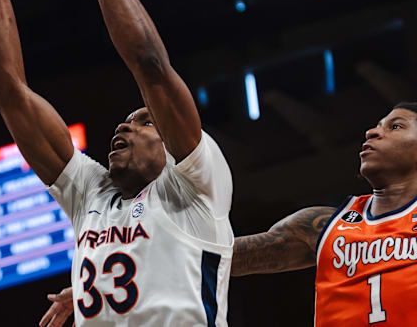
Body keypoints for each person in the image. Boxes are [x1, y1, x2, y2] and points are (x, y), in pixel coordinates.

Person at [0, 0, 234, 325]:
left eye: (144, 122)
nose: (124, 127)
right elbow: (6, 89)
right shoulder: (92, 195)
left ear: (173, 145)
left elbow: (150, 63)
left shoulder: (197, 183)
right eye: (125, 122)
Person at [40, 102, 417, 327]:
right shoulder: (324, 225)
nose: (373, 131)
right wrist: (102, 280)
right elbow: (208, 256)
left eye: (395, 126)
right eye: (379, 124)